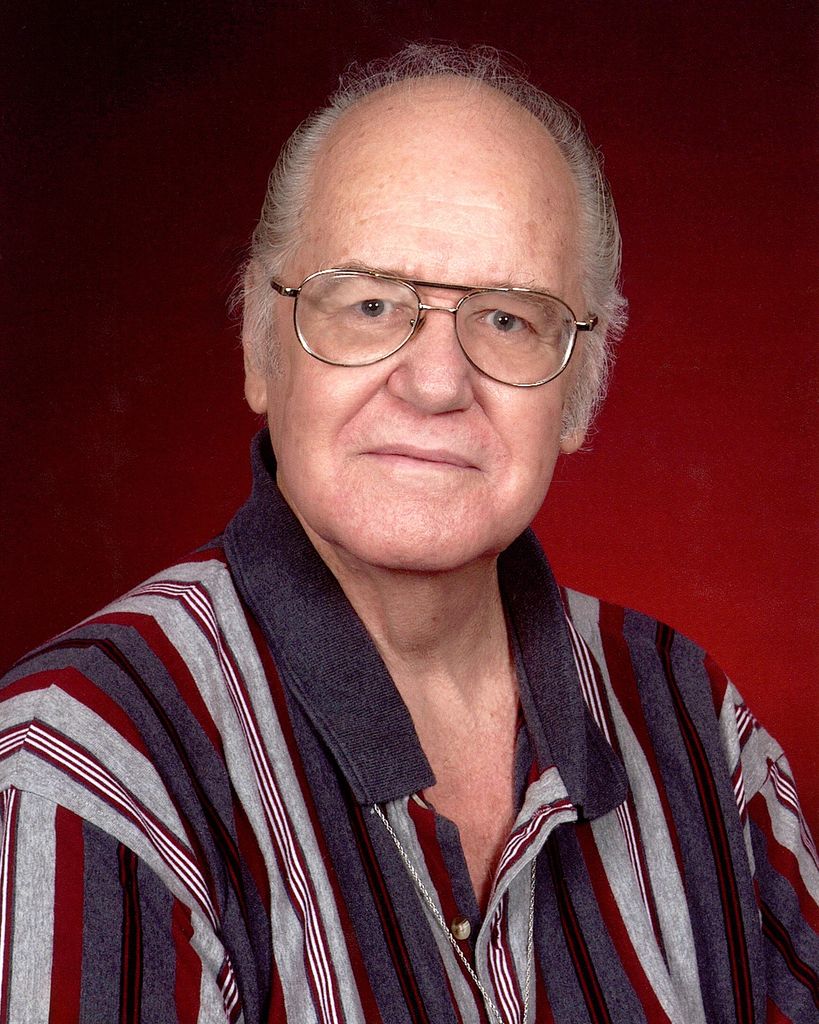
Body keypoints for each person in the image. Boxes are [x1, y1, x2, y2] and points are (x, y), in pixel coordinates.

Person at [0, 43, 816, 1024]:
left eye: (509, 319)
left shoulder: (695, 724)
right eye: (371, 303)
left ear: (577, 395)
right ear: (261, 345)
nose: (435, 383)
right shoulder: (84, 762)